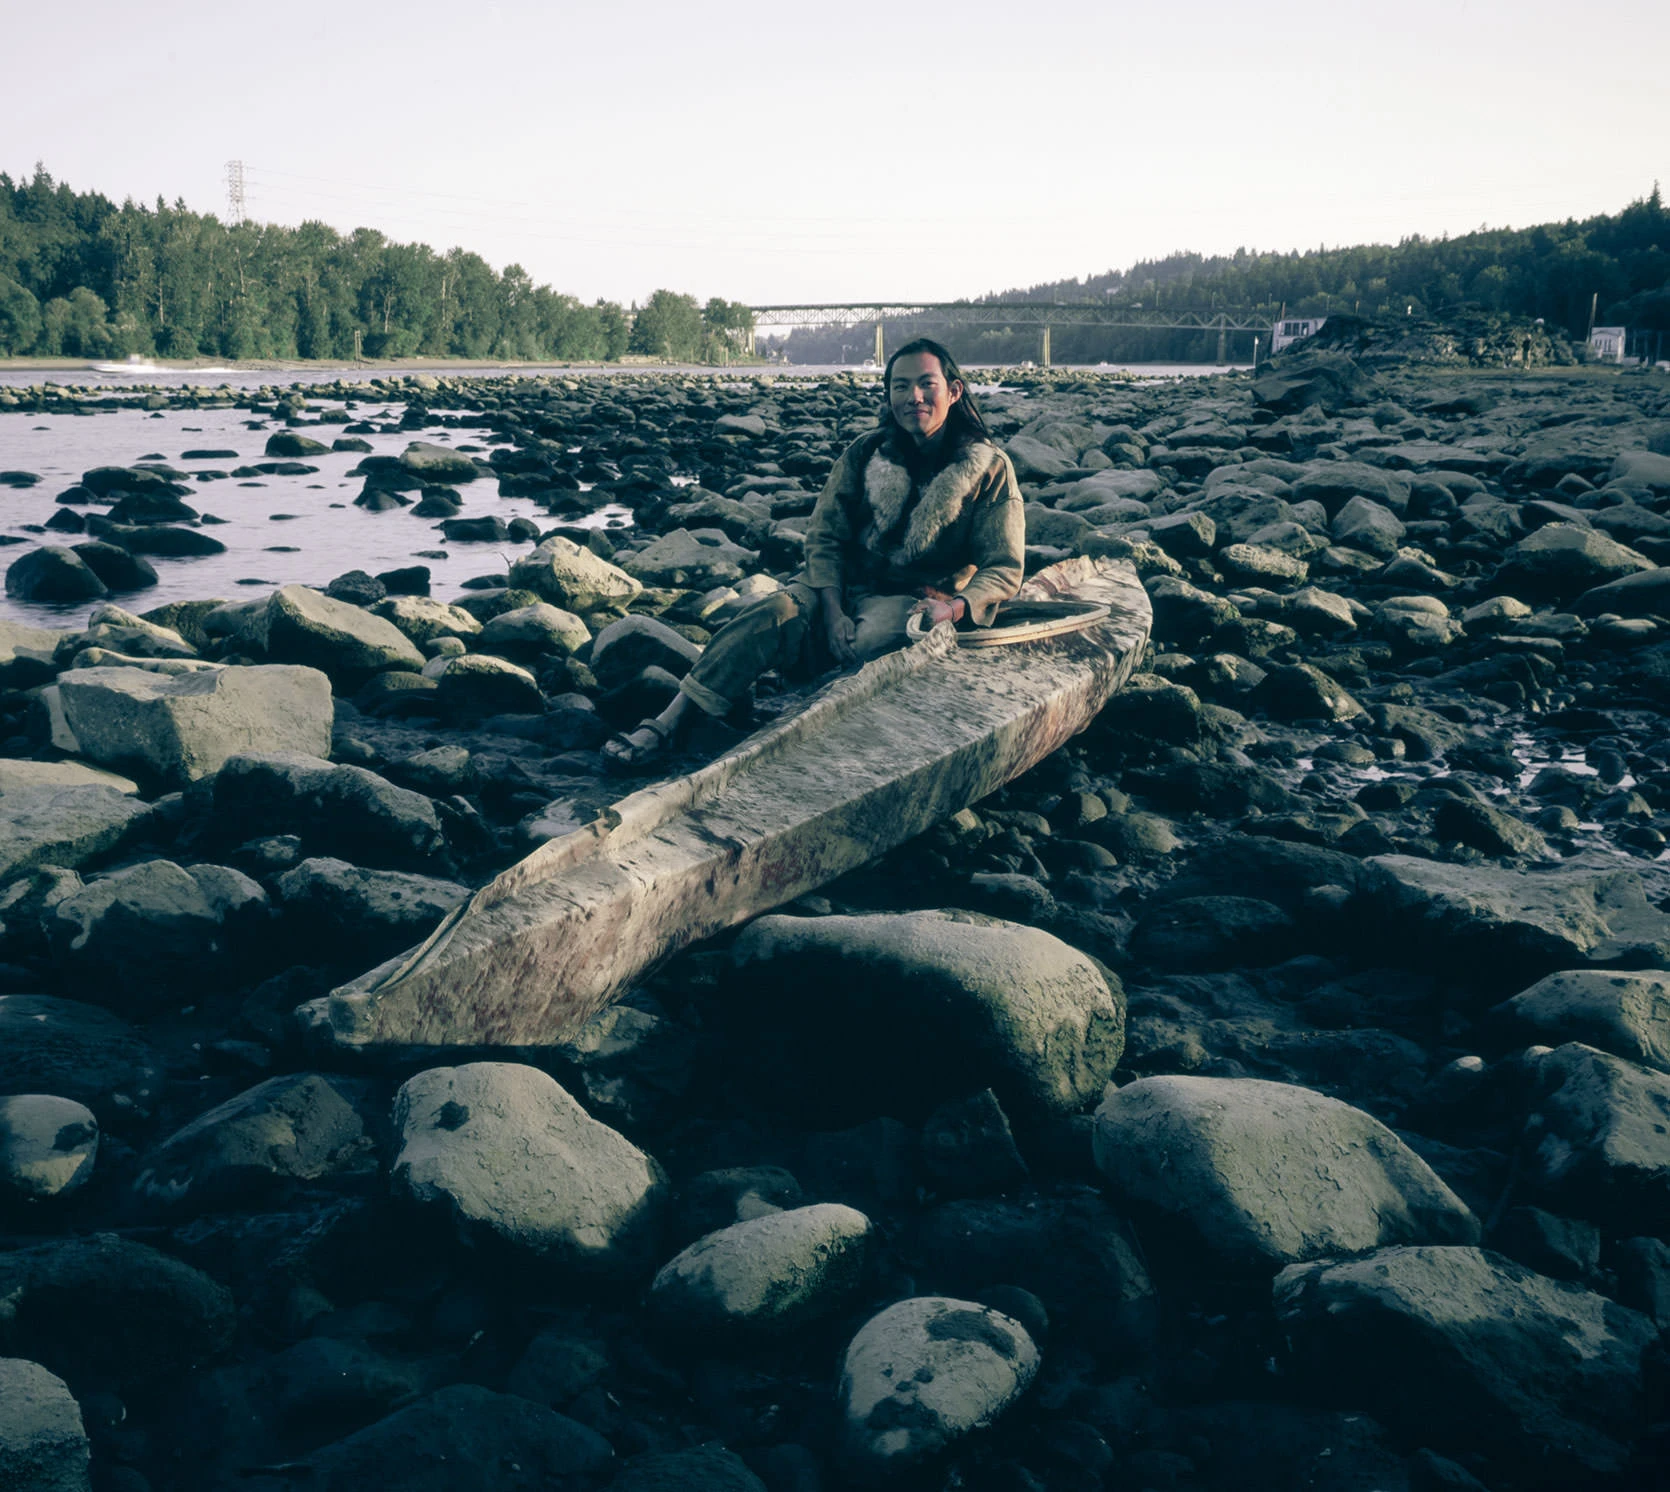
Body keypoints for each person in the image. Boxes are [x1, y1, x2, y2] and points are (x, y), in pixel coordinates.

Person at [602, 337, 1025, 770]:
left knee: (872, 640)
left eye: (925, 384)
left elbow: (1003, 566)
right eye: (900, 386)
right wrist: (832, 609)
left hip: (920, 601)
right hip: (841, 585)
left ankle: (803, 709)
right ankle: (671, 720)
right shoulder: (865, 453)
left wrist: (953, 610)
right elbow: (824, 537)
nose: (913, 397)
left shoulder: (989, 469)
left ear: (953, 392)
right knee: (772, 613)